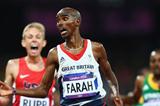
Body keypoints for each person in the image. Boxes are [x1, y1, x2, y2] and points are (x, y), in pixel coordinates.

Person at [0, 7, 123, 106]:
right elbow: (43, 90)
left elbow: (109, 75)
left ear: (77, 22)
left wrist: (116, 94)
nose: (60, 23)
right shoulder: (54, 53)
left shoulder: (96, 48)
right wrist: (14, 90)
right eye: (58, 21)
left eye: (64, 19)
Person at [0, 22, 56, 106]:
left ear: (44, 43)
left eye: (38, 37)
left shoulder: (52, 66)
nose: (34, 40)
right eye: (30, 37)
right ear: (23, 42)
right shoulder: (13, 65)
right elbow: (5, 99)